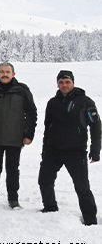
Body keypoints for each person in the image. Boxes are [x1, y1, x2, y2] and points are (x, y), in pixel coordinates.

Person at [38, 70, 100, 225]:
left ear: (73, 82)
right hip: (53, 150)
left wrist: (95, 150)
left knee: (82, 187)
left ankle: (90, 219)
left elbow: (96, 127)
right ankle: (50, 208)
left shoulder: (85, 102)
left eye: (67, 82)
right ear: (57, 84)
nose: (64, 85)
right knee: (44, 180)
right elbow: (47, 128)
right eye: (61, 82)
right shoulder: (52, 103)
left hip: (76, 152)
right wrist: (45, 150)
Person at [0, 62, 37, 209]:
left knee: (12, 169)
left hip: (15, 137)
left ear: (13, 74)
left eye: (7, 72)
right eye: (2, 72)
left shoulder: (22, 91)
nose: (5, 74)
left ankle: (13, 198)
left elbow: (31, 113)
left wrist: (29, 134)